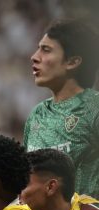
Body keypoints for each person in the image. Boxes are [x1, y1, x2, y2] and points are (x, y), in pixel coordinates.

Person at [25, 19, 99, 198]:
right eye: (38, 48)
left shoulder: (94, 109)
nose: (34, 57)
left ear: (72, 62)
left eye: (46, 50)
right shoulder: (36, 115)